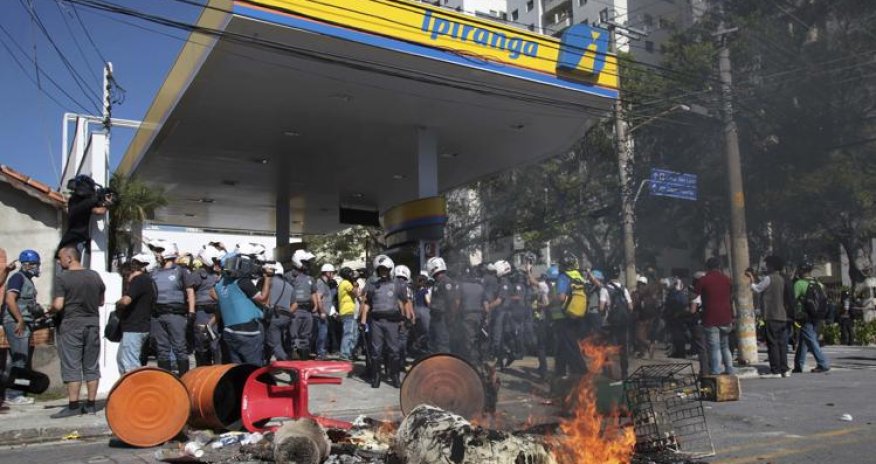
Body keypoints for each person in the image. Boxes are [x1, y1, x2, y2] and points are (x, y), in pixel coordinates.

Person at [49, 246, 105, 418]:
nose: (59, 262)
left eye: (60, 258)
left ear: (69, 258)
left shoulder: (62, 277)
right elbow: (101, 302)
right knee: (91, 365)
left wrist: (49, 310)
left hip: (71, 325)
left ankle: (73, 406)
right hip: (92, 325)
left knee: (72, 365)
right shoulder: (95, 275)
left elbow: (58, 305)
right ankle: (91, 405)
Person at [210, 249, 270, 365]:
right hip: (247, 330)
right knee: (253, 369)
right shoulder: (242, 281)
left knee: (238, 369)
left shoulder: (218, 285)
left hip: (229, 331)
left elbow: (211, 293)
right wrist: (267, 278)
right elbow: (264, 299)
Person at [360, 255, 407, 388]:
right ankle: (376, 377)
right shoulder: (373, 286)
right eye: (381, 270)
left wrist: (405, 319)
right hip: (376, 322)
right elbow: (367, 303)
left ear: (390, 269)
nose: (383, 272)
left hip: (392, 321)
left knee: (394, 351)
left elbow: (404, 302)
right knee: (376, 352)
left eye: (385, 269)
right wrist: (363, 321)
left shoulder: (397, 284)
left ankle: (395, 376)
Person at [150, 242, 196, 376]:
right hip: (157, 315)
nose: (157, 254)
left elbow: (190, 291)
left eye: (159, 251)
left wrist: (191, 311)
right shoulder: (154, 272)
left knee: (180, 348)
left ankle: (184, 379)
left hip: (175, 314)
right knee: (162, 349)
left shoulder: (181, 271)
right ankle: (165, 379)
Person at [2, 250, 42, 405]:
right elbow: (10, 299)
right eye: (34, 264)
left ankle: (14, 392)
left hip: (24, 322)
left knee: (18, 359)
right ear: (25, 265)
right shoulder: (17, 278)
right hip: (16, 323)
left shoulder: (26, 280)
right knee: (20, 359)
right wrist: (19, 320)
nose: (36, 268)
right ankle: (14, 394)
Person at [747, 256, 791, 378]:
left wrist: (751, 279)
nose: (766, 267)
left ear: (772, 266)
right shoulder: (784, 279)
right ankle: (784, 369)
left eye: (767, 265)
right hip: (783, 316)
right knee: (782, 344)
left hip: (771, 315)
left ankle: (775, 370)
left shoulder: (769, 278)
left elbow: (757, 289)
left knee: (772, 344)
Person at [114, 253, 156, 375]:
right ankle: (127, 389)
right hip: (138, 327)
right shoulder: (148, 280)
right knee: (122, 360)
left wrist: (118, 303)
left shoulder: (139, 280)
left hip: (135, 327)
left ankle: (137, 390)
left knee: (131, 364)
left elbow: (126, 301)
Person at [694, 257, 735, 376]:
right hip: (726, 317)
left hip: (711, 318)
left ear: (707, 267)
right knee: (725, 345)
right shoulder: (727, 279)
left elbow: (695, 294)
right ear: (719, 267)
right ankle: (730, 368)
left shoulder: (704, 280)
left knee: (714, 347)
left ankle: (716, 370)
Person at [58, 175, 112, 261]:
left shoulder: (79, 202)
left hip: (74, 242)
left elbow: (99, 211)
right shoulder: (76, 202)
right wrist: (101, 200)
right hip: (72, 243)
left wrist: (107, 204)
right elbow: (93, 207)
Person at [554, 256, 590, 375]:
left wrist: (552, 300)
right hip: (581, 315)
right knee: (564, 345)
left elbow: (561, 297)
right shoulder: (579, 276)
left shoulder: (563, 277)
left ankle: (581, 371)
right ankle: (560, 372)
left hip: (567, 315)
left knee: (570, 345)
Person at [792, 262, 830, 373]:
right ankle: (798, 364)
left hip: (805, 316)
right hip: (818, 316)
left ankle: (823, 363)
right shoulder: (819, 283)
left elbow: (793, 300)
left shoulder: (799, 284)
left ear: (801, 271)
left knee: (810, 339)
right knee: (804, 340)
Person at [191, 244, 225, 366]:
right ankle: (203, 370)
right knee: (202, 341)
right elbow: (190, 291)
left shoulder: (220, 274)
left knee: (215, 343)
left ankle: (215, 371)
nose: (217, 263)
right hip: (202, 311)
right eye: (215, 260)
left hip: (216, 312)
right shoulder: (198, 274)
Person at [285, 249, 317, 360]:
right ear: (298, 261)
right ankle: (293, 361)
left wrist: (316, 305)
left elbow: (313, 292)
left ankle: (304, 360)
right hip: (295, 310)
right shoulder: (288, 276)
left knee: (306, 336)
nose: (308, 264)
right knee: (294, 337)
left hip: (307, 311)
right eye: (305, 262)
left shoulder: (310, 278)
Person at [604, 267, 633, 379]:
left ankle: (610, 374)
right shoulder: (623, 289)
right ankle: (624, 374)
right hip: (623, 323)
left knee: (609, 348)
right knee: (623, 349)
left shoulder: (605, 289)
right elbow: (630, 306)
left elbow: (602, 307)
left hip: (610, 324)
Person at [262, 261, 294, 361]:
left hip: (274, 316)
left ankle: (288, 365)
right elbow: (295, 304)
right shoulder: (289, 286)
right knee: (279, 341)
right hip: (286, 317)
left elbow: (263, 298)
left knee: (275, 344)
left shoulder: (269, 282)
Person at [457, 266, 488, 366]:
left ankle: (471, 363)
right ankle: (480, 359)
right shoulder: (480, 287)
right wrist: (485, 317)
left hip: (466, 315)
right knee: (477, 338)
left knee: (468, 340)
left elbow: (457, 303)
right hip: (479, 316)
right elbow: (486, 306)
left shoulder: (461, 286)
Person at [427, 257, 457, 354]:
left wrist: (451, 318)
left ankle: (444, 365)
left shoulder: (446, 281)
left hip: (442, 318)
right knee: (433, 342)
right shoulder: (437, 282)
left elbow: (451, 301)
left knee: (442, 343)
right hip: (435, 317)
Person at [391, 265, 415, 370]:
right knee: (402, 340)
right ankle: (400, 362)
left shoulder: (390, 284)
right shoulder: (405, 287)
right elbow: (407, 303)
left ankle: (392, 363)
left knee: (392, 341)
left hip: (391, 318)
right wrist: (409, 317)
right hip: (402, 318)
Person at [337, 267, 359, 360]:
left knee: (354, 334)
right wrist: (356, 286)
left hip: (349, 312)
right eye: (351, 274)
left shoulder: (344, 283)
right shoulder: (346, 283)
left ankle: (349, 352)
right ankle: (344, 353)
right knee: (349, 333)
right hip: (347, 312)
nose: (352, 276)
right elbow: (355, 293)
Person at [314, 264, 336, 360]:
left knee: (324, 333)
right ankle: (320, 353)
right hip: (320, 314)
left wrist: (332, 312)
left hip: (325, 313)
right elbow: (319, 298)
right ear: (327, 273)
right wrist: (322, 311)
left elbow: (327, 300)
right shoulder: (320, 283)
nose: (333, 275)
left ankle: (322, 351)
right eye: (332, 272)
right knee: (322, 333)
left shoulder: (325, 283)